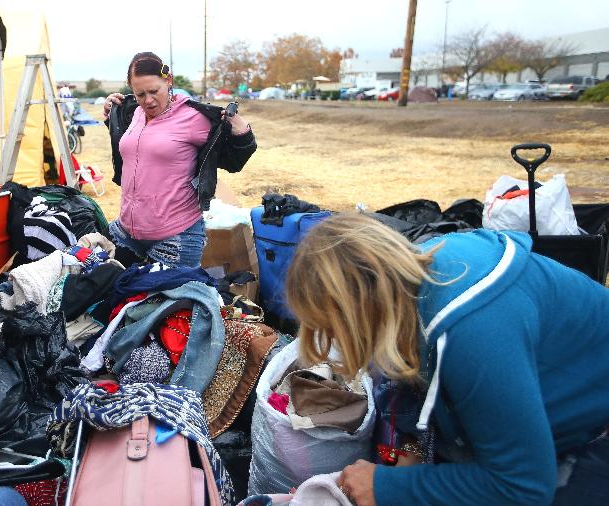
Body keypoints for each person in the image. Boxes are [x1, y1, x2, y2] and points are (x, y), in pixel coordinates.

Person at [285, 213, 609, 506]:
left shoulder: (473, 331)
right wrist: (413, 451)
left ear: (358, 311)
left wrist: (388, 487)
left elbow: (522, 486)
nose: (337, 343)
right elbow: (420, 376)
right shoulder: (417, 276)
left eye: (333, 329)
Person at [102, 52, 256, 268]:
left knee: (165, 301)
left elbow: (233, 161)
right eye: (140, 94)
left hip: (176, 236)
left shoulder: (194, 117)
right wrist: (113, 115)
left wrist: (243, 134)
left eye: (154, 91)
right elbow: (135, 147)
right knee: (104, 288)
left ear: (169, 80)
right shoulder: (134, 113)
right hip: (128, 230)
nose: (148, 100)